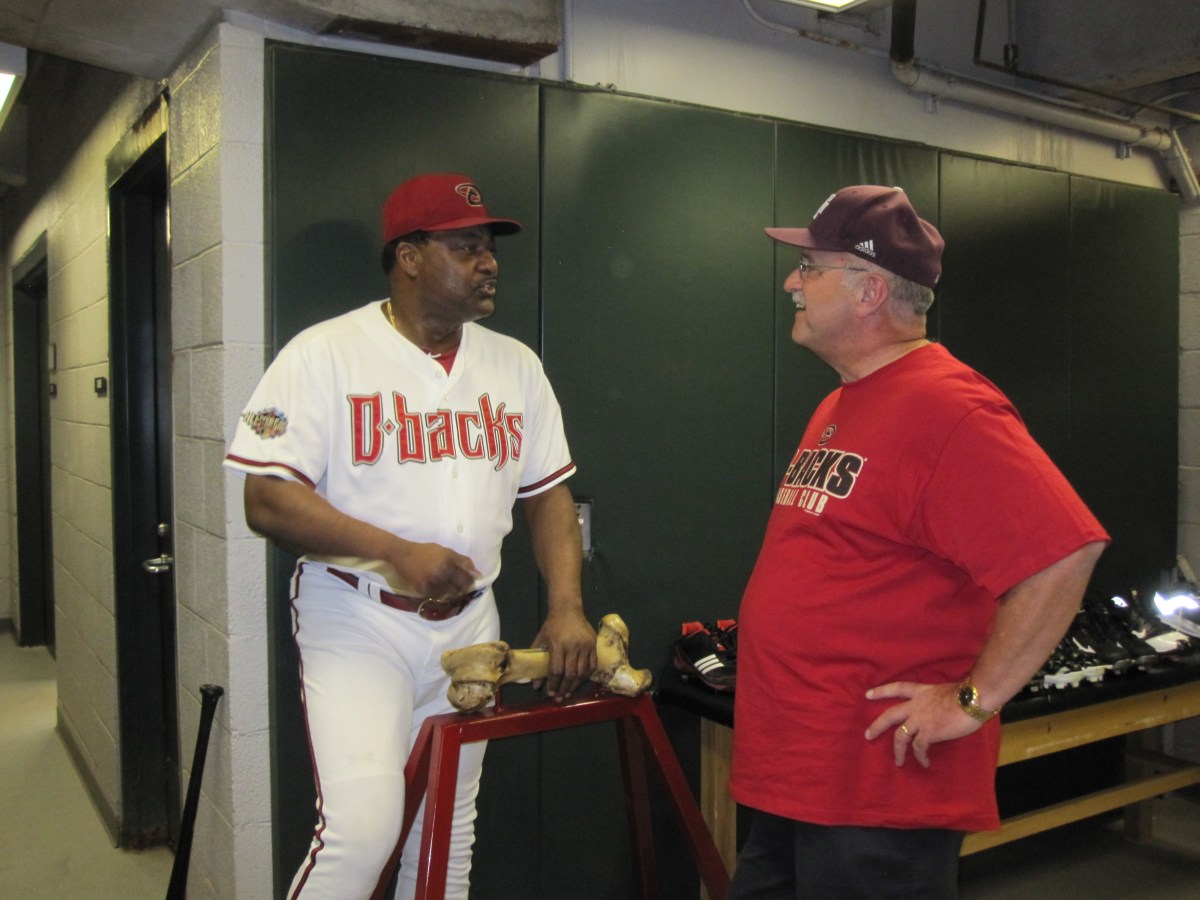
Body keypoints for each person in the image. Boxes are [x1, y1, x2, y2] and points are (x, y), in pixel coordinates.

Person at [727, 185, 1109, 899]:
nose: (791, 282)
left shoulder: (950, 407)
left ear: (870, 290)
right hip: (800, 774)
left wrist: (970, 701)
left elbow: (1064, 552)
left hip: (877, 791)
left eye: (811, 267)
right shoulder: (841, 401)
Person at [224, 173, 597, 899]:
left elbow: (548, 493)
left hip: (472, 626)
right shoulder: (322, 354)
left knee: (445, 840)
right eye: (467, 246)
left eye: (490, 247)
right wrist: (395, 552)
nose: (489, 263)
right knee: (362, 835)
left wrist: (566, 605)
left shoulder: (515, 365)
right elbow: (265, 501)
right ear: (410, 256)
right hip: (359, 616)